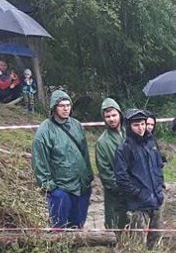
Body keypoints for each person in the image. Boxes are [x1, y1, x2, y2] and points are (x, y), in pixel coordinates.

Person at [31, 89, 94, 228]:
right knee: (59, 228)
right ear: (54, 107)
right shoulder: (44, 132)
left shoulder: (76, 125)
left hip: (80, 187)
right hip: (60, 189)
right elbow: (39, 162)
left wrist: (88, 178)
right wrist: (50, 187)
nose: (65, 109)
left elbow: (84, 153)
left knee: (77, 226)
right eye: (61, 105)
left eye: (68, 105)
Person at [114, 108, 165, 247]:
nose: (141, 128)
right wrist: (137, 193)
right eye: (136, 125)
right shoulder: (124, 148)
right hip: (138, 205)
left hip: (156, 200)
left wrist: (161, 189)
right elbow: (121, 178)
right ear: (129, 126)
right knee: (137, 246)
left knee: (156, 242)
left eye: (143, 124)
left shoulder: (151, 143)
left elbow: (158, 167)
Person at [94, 98, 128, 231]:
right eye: (107, 116)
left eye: (114, 115)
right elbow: (105, 173)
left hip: (136, 191)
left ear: (120, 114)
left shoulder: (130, 133)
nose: (111, 119)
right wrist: (123, 189)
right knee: (115, 228)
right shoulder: (102, 143)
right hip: (116, 195)